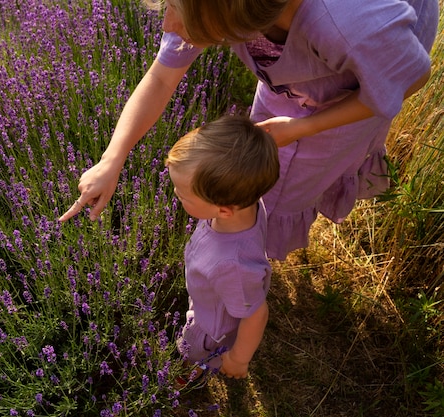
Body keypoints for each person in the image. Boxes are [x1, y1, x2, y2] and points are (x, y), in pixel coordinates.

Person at [58, 0, 439, 261]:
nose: (168, 24)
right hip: (291, 82)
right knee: (258, 175)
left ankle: (250, 264)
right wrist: (112, 159)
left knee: (285, 193)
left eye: (174, 9)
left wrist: (306, 126)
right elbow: (160, 79)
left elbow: (405, 80)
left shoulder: (348, 25)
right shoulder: (223, 7)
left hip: (353, 96)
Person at [164, 114, 279, 382]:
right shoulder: (247, 205)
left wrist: (238, 358)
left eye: (182, 194)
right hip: (212, 296)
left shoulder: (231, 266)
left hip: (209, 327)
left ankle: (188, 377)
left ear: (224, 210)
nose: (175, 195)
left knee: (195, 355)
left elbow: (256, 314)